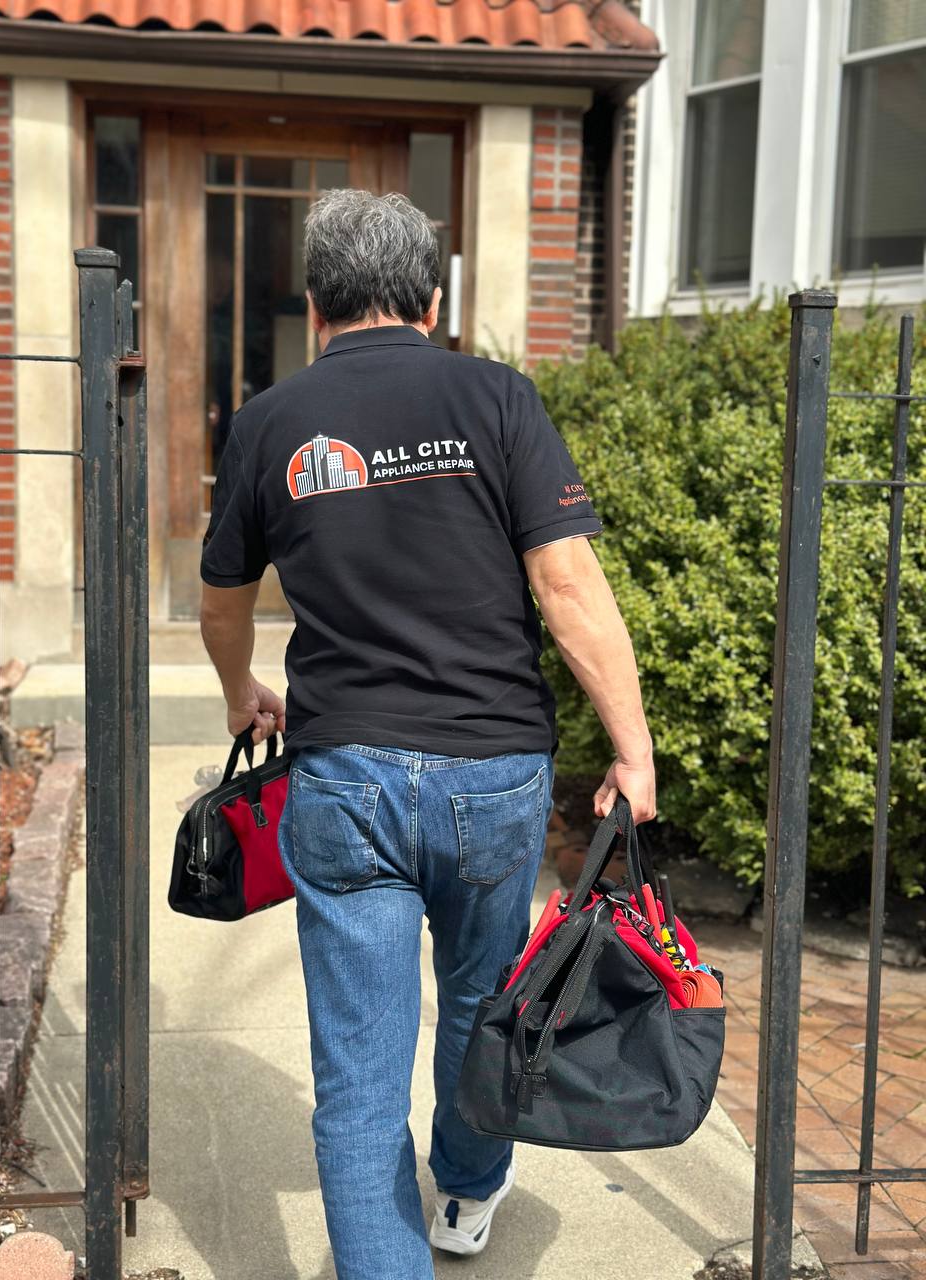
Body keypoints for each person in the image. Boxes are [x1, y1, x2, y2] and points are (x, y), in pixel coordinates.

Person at [199, 189, 656, 1279]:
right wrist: (632, 751)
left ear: (315, 303)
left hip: (345, 772)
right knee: (482, 1001)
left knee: (358, 1075)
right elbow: (568, 584)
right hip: (492, 772)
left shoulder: (270, 420)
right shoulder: (496, 396)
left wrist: (239, 688)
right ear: (434, 297)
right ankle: (467, 1190)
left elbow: (222, 597)